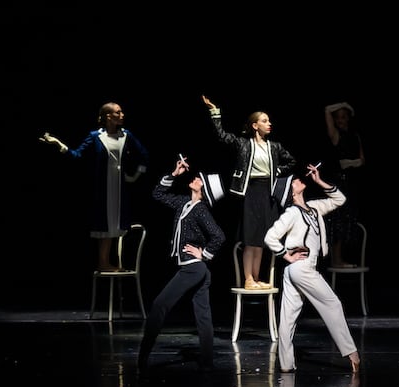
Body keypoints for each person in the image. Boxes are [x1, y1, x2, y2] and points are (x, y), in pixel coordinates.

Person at [264, 163, 360, 374]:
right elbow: (270, 237)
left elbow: (340, 200)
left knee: (288, 318)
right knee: (332, 304)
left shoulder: (314, 207)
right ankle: (352, 354)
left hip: (297, 271)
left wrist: (319, 181)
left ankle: (287, 364)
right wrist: (286, 255)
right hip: (301, 268)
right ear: (291, 191)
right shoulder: (291, 212)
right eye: (295, 182)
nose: (300, 180)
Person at [138, 156, 226, 372]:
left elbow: (219, 236)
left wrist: (203, 254)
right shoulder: (184, 203)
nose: (195, 178)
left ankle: (142, 359)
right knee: (203, 316)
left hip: (193, 267)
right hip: (197, 270)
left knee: (159, 305)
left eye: (199, 180)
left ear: (203, 190)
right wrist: (174, 174)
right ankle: (207, 363)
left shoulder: (201, 209)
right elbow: (158, 194)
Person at [39, 102, 149, 271]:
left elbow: (143, 154)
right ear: (108, 117)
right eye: (118, 112)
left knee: (116, 224)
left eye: (122, 112)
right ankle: (104, 262)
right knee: (105, 224)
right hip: (103, 188)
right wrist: (59, 145)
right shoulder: (95, 136)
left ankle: (107, 262)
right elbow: (77, 155)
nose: (122, 115)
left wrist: (135, 175)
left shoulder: (126, 135)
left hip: (120, 188)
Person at [202, 95, 296, 290]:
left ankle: (256, 277)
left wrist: (276, 171)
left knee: (261, 237)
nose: (269, 124)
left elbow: (292, 161)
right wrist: (214, 112)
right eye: (264, 121)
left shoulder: (274, 146)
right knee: (250, 237)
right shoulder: (244, 144)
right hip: (251, 191)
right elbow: (222, 136)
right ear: (254, 125)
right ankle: (248, 278)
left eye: (268, 121)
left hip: (267, 193)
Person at [323, 101, 366, 267]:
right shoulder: (335, 134)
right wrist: (345, 105)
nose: (341, 120)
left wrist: (350, 163)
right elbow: (327, 109)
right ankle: (337, 259)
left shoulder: (355, 136)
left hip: (351, 181)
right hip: (337, 181)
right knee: (338, 219)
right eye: (338, 117)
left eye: (344, 116)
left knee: (348, 219)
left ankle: (341, 258)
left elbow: (362, 161)